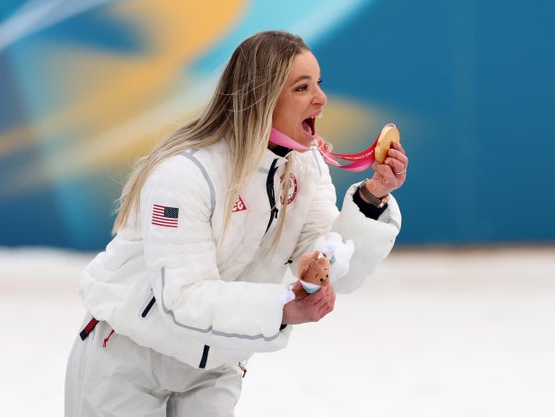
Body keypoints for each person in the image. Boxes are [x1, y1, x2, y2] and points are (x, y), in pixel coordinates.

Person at [65, 30, 408, 417]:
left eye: (319, 84)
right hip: (128, 356)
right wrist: (283, 307)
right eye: (302, 87)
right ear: (260, 97)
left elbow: (331, 263)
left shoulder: (304, 168)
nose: (321, 98)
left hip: (217, 364)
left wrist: (372, 197)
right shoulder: (184, 174)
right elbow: (183, 299)